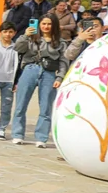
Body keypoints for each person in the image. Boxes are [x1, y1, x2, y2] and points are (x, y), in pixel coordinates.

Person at [10, 14, 68, 148]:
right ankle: (17, 134)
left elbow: (64, 61)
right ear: (39, 25)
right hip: (30, 69)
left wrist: (60, 77)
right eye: (43, 24)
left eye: (49, 24)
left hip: (49, 72)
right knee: (21, 104)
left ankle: (41, 137)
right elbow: (17, 48)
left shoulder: (61, 42)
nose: (46, 27)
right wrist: (25, 35)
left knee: (46, 106)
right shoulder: (30, 37)